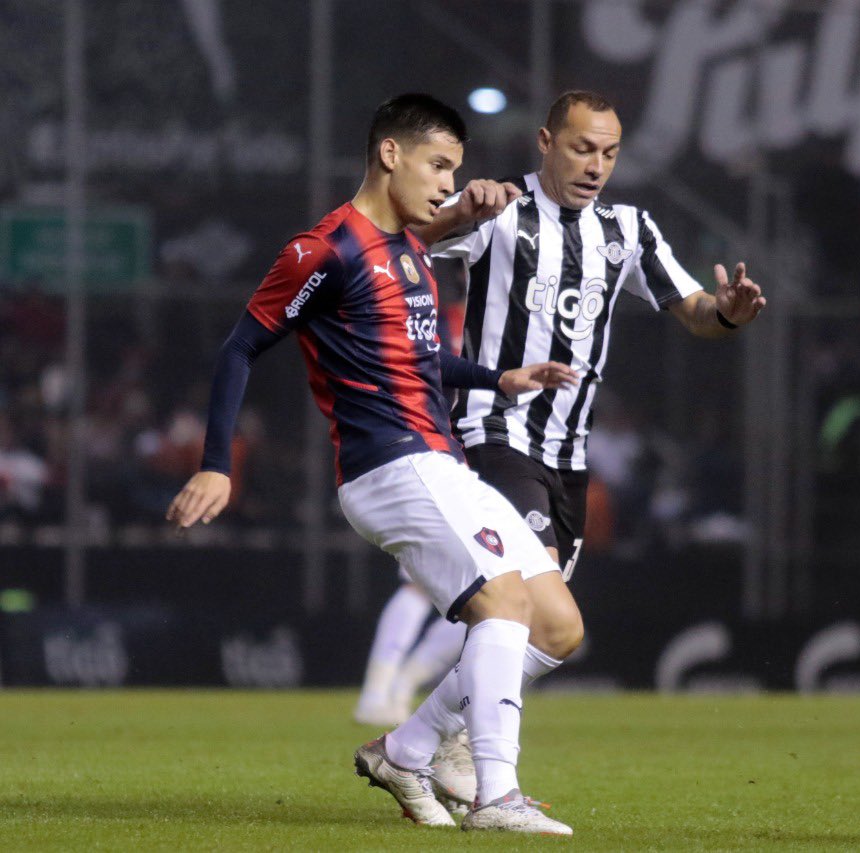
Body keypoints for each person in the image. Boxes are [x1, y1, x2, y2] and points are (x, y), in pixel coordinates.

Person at [165, 93, 580, 835]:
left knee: (556, 624)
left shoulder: (410, 253)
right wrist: (215, 463)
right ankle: (495, 791)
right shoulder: (327, 248)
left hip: (442, 462)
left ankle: (406, 748)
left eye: (455, 168)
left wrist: (500, 380)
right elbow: (240, 345)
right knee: (502, 604)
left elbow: (422, 361)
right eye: (439, 165)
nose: (447, 183)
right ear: (391, 154)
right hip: (389, 467)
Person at [362, 89, 766, 797]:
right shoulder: (501, 210)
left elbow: (695, 312)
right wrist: (460, 210)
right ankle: (489, 782)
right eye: (582, 148)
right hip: (496, 435)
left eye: (609, 153)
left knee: (545, 634)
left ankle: (415, 744)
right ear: (546, 142)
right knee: (540, 614)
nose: (596, 165)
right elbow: (397, 244)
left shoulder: (628, 229)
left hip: (568, 461)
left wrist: (727, 313)